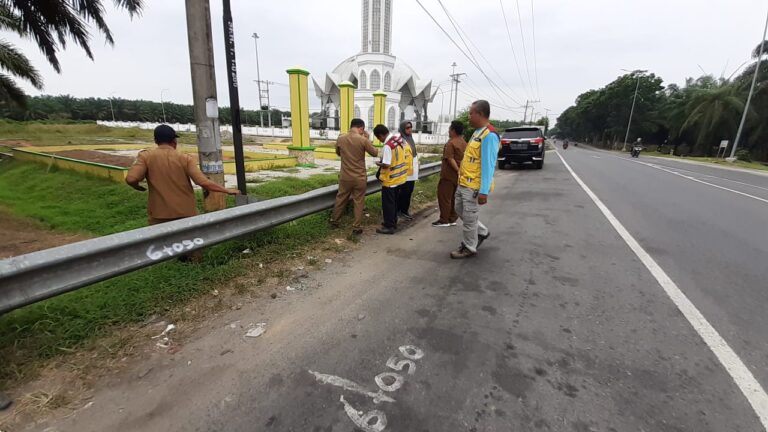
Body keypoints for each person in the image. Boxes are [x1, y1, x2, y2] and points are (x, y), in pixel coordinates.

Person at [126, 124, 240, 227]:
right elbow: (203, 182)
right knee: (190, 245)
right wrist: (227, 190)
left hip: (159, 215)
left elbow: (131, 179)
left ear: (156, 141)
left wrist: (137, 186)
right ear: (174, 141)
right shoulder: (185, 158)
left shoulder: (145, 156)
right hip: (186, 213)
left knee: (163, 247)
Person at [451, 100, 500, 259]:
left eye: (471, 113)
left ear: (480, 114)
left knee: (469, 219)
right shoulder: (477, 132)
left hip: (474, 186)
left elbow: (488, 165)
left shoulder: (489, 135)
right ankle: (482, 232)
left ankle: (468, 247)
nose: (469, 116)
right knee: (459, 210)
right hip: (464, 182)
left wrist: (483, 192)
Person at [330, 118, 378, 235]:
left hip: (345, 176)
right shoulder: (363, 140)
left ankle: (334, 220)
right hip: (359, 177)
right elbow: (375, 153)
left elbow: (338, 153)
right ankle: (356, 226)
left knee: (341, 198)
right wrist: (368, 139)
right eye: (363, 130)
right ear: (361, 128)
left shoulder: (341, 138)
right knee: (359, 201)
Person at [374, 124, 408, 235]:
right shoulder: (398, 139)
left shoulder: (388, 146)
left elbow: (386, 164)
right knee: (394, 202)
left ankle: (389, 226)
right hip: (399, 178)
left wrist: (378, 163)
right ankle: (393, 222)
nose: (379, 140)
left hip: (390, 180)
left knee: (388, 204)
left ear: (380, 135)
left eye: (379, 138)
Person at [432, 120, 467, 227]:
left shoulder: (451, 143)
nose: (448, 131)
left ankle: (444, 220)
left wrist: (457, 170)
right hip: (459, 175)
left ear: (453, 130)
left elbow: (450, 159)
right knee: (453, 198)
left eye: (449, 129)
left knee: (444, 197)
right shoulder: (464, 142)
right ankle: (452, 218)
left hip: (448, 175)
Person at [396, 121, 418, 221]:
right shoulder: (399, 140)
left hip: (412, 171)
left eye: (411, 127)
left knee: (409, 191)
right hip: (404, 171)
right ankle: (398, 211)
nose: (410, 129)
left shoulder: (410, 139)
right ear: (402, 129)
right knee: (403, 192)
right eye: (407, 128)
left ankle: (404, 211)